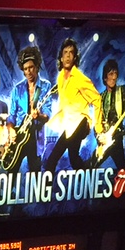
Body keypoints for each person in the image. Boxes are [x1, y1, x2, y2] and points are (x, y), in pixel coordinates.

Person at [44, 38, 99, 174]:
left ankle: (46, 188)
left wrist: (97, 127)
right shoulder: (60, 77)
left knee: (53, 160)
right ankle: (89, 175)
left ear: (74, 58)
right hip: (69, 125)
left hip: (79, 123)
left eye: (71, 53)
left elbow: (97, 99)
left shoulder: (80, 78)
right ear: (61, 58)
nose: (68, 56)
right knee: (73, 159)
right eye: (65, 53)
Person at [6, 46, 52, 173]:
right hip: (19, 137)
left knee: (35, 174)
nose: (29, 72)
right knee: (11, 173)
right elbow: (12, 115)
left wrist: (39, 116)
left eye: (31, 67)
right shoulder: (17, 89)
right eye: (25, 69)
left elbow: (47, 114)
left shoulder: (45, 86)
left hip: (35, 139)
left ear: (37, 67)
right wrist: (10, 129)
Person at [95, 59, 125, 169]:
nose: (114, 77)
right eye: (111, 74)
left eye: (115, 73)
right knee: (92, 167)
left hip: (117, 137)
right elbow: (97, 121)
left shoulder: (121, 91)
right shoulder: (101, 97)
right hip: (104, 140)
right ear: (105, 77)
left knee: (122, 169)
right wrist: (99, 136)